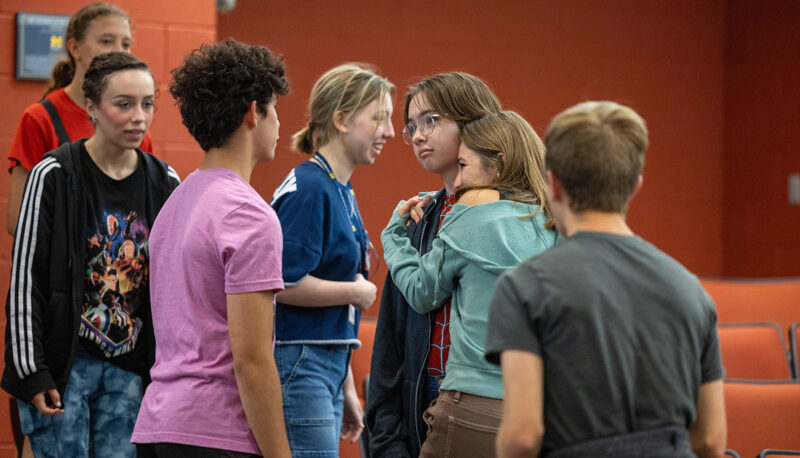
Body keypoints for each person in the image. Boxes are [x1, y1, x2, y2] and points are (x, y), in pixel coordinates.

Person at [484, 101, 727, 458]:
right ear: (635, 186)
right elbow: (710, 439)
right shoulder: (690, 288)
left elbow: (522, 437)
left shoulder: (525, 286)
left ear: (554, 184)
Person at [1, 51, 179, 458]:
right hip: (66, 367)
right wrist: (31, 370)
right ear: (92, 109)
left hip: (131, 370)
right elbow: (26, 279)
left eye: (148, 104)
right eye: (124, 104)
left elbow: (174, 289)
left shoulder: (166, 181)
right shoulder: (54, 174)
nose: (139, 116)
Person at [130, 39, 291, 458]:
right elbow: (251, 361)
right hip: (215, 433)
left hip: (158, 426)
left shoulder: (175, 203)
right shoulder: (248, 215)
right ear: (253, 112)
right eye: (275, 110)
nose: (280, 124)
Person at [381, 110, 558, 457]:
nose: (458, 183)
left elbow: (421, 291)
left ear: (498, 162)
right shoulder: (556, 224)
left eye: (463, 166)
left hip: (472, 405)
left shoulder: (469, 216)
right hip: (540, 410)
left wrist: (393, 235)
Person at [366, 72, 501, 458]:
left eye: (431, 120)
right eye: (412, 126)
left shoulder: (513, 218)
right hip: (421, 394)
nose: (418, 135)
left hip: (487, 401)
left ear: (474, 122)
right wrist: (387, 439)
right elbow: (391, 340)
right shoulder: (417, 217)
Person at [270, 63, 394, 457]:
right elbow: (282, 283)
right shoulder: (310, 188)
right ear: (341, 119)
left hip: (326, 363)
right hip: (301, 362)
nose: (389, 132)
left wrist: (345, 389)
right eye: (379, 118)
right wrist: (354, 291)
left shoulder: (339, 187)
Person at [6, 2, 155, 236]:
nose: (119, 51)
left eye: (126, 44)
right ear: (75, 48)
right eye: (106, 41)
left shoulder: (134, 128)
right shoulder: (41, 118)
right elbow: (18, 220)